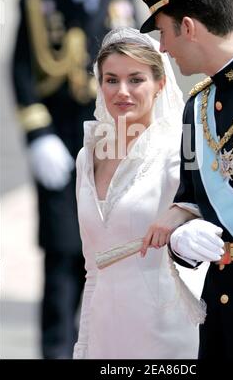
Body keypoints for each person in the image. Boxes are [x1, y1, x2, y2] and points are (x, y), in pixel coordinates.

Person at [131, 0, 233, 360]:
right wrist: (180, 238)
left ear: (188, 27)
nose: (162, 47)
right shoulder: (194, 108)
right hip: (219, 315)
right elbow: (192, 197)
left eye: (163, 33)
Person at [11, 0, 138, 359]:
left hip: (109, 148)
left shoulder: (121, 1)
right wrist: (37, 137)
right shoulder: (37, 0)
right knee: (63, 256)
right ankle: (55, 352)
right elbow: (23, 74)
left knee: (109, 255)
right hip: (59, 147)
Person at [73, 27, 204, 359]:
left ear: (160, 84)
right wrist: (84, 343)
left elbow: (205, 226)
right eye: (111, 80)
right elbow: (93, 268)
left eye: (136, 79)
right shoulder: (87, 155)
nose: (123, 92)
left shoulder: (180, 147)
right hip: (104, 333)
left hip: (165, 332)